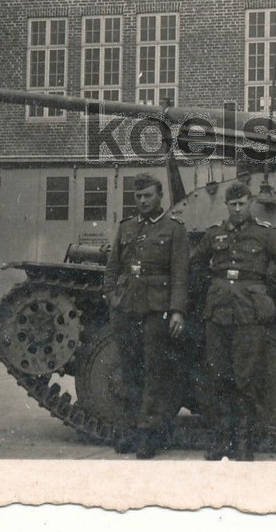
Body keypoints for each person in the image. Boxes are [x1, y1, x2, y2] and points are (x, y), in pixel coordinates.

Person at [192, 181, 276, 461]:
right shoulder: (215, 233)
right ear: (226, 206)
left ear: (250, 203)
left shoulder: (264, 234)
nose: (238, 209)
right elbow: (195, 263)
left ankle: (243, 442)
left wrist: (262, 288)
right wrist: (211, 286)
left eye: (242, 204)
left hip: (249, 314)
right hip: (217, 311)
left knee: (246, 379)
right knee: (218, 377)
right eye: (233, 205)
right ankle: (221, 440)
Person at [100, 172, 189, 459]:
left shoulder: (174, 229)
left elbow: (180, 274)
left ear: (159, 196)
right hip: (126, 306)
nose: (141, 201)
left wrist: (176, 310)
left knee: (153, 372)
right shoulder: (126, 227)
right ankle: (129, 430)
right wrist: (112, 296)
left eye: (147, 196)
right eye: (137, 196)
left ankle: (148, 435)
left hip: (156, 308)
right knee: (129, 369)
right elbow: (113, 267)